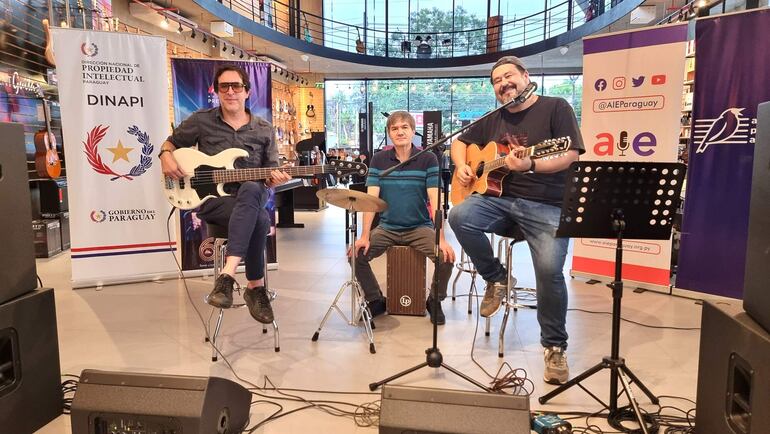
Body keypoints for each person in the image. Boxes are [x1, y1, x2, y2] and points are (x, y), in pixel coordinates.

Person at [448, 56, 584, 384]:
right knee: (459, 215)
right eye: (496, 80)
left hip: (547, 204)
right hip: (500, 199)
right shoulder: (494, 118)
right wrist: (463, 166)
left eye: (509, 76)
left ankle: (554, 347)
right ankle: (497, 277)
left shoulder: (556, 107)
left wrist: (532, 165)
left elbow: (570, 154)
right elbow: (458, 142)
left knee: (550, 270)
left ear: (526, 76)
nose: (503, 83)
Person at [159, 65, 291, 324]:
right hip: (212, 200)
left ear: (247, 92)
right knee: (261, 221)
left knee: (253, 188)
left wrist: (275, 178)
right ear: (216, 91)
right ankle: (256, 287)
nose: (230, 92)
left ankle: (226, 277)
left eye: (236, 86)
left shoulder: (264, 129)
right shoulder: (201, 120)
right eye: (224, 87)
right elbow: (171, 143)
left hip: (252, 196)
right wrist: (164, 155)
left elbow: (270, 173)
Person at [353, 112, 456, 325]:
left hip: (419, 227)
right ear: (389, 133)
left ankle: (434, 300)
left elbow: (436, 201)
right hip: (388, 227)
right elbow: (371, 199)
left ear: (412, 131)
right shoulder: (379, 159)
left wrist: (441, 238)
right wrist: (364, 236)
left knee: (445, 257)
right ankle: (376, 300)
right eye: (394, 128)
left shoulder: (428, 158)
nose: (399, 131)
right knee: (357, 255)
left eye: (404, 127)